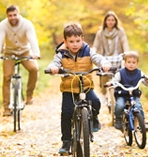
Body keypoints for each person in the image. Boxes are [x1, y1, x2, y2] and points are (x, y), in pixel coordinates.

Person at [46, 22, 111, 154]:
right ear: (65, 42)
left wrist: (104, 63)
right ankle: (66, 141)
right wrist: (53, 68)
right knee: (66, 113)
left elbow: (97, 58)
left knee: (96, 102)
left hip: (85, 86)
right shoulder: (61, 53)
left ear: (82, 39)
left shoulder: (88, 51)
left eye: (77, 41)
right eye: (71, 41)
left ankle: (94, 117)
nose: (75, 44)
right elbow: (55, 62)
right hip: (68, 88)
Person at [0, 5, 40, 116]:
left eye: (15, 15)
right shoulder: (3, 25)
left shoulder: (27, 24)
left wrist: (36, 53)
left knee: (34, 69)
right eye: (10, 16)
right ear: (7, 16)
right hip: (9, 53)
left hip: (25, 52)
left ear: (19, 14)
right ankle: (6, 108)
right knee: (7, 77)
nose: (13, 17)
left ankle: (29, 95)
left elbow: (32, 39)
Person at [105, 51, 148, 130]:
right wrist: (111, 83)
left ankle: (142, 123)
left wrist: (147, 80)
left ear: (137, 63)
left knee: (138, 106)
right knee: (119, 105)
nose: (131, 64)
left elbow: (146, 82)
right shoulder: (120, 73)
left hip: (134, 94)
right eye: (129, 62)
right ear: (125, 63)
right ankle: (118, 119)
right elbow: (115, 81)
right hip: (122, 94)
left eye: (134, 62)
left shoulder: (139, 73)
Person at [92, 11, 129, 105]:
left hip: (118, 58)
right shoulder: (100, 33)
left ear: (115, 21)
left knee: (121, 76)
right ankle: (104, 94)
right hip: (105, 58)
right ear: (105, 21)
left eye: (113, 20)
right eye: (108, 20)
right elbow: (95, 46)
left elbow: (125, 43)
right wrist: (92, 52)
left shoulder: (120, 32)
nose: (110, 22)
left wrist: (127, 54)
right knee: (104, 75)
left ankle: (121, 95)